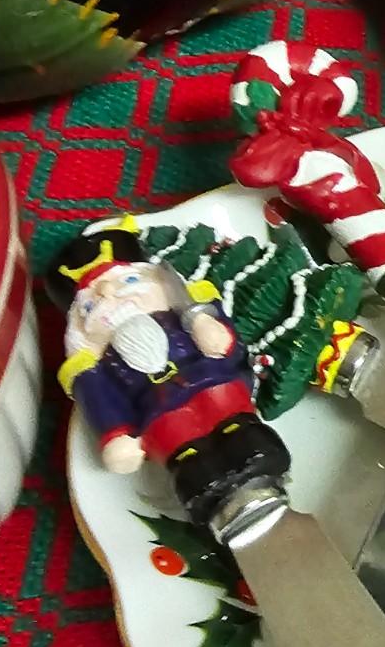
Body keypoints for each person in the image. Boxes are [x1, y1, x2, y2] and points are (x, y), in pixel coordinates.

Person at [46, 222, 289, 523]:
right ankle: (205, 490)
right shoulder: (98, 364)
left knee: (239, 430)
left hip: (215, 385)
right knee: (189, 457)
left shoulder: (183, 313)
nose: (112, 296)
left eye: (128, 280)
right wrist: (116, 434)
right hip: (160, 415)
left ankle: (256, 452)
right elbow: (101, 400)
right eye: (91, 304)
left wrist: (210, 328)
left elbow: (225, 340)